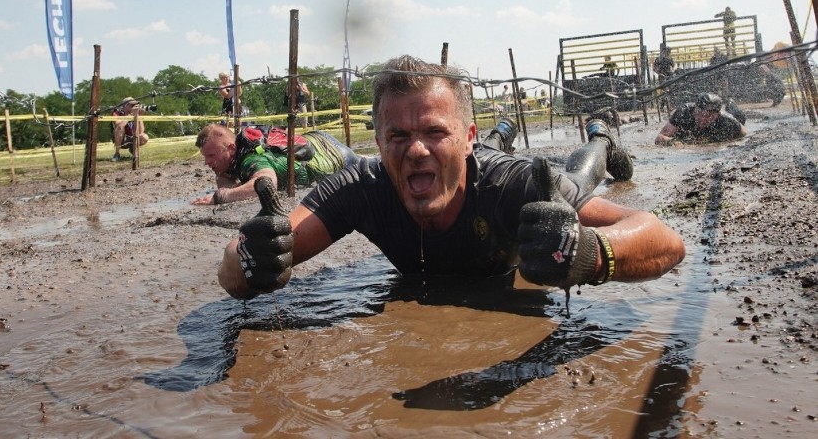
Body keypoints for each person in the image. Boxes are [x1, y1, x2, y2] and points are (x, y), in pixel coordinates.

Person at [217, 54, 684, 301]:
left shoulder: (515, 186)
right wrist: (249, 255)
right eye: (397, 135)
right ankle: (500, 131)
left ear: (465, 135)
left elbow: (666, 241)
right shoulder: (360, 187)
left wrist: (591, 255)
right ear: (378, 144)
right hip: (475, 149)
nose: (416, 150)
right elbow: (237, 269)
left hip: (519, 165)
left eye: (435, 132)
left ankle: (602, 138)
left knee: (576, 175)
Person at [191, 123, 363, 205]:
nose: (207, 162)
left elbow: (266, 184)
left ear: (231, 148)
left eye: (211, 155)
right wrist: (223, 177)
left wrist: (221, 197)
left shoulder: (251, 159)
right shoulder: (238, 154)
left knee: (371, 167)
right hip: (317, 139)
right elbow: (230, 184)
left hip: (335, 157)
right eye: (205, 157)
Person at [655, 92, 747, 146]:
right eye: (699, 113)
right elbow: (659, 138)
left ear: (717, 115)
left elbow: (744, 135)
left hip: (732, 115)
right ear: (695, 108)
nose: (703, 119)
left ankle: (731, 104)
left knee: (739, 115)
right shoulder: (683, 112)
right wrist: (675, 144)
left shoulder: (727, 120)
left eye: (709, 116)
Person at [112, 97, 149, 162]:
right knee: (120, 129)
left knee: (144, 137)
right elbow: (120, 126)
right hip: (122, 139)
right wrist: (130, 115)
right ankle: (117, 153)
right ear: (125, 105)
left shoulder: (136, 113)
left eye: (135, 105)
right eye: (132, 105)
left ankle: (133, 149)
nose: (134, 107)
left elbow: (141, 131)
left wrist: (139, 116)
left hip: (133, 137)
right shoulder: (117, 113)